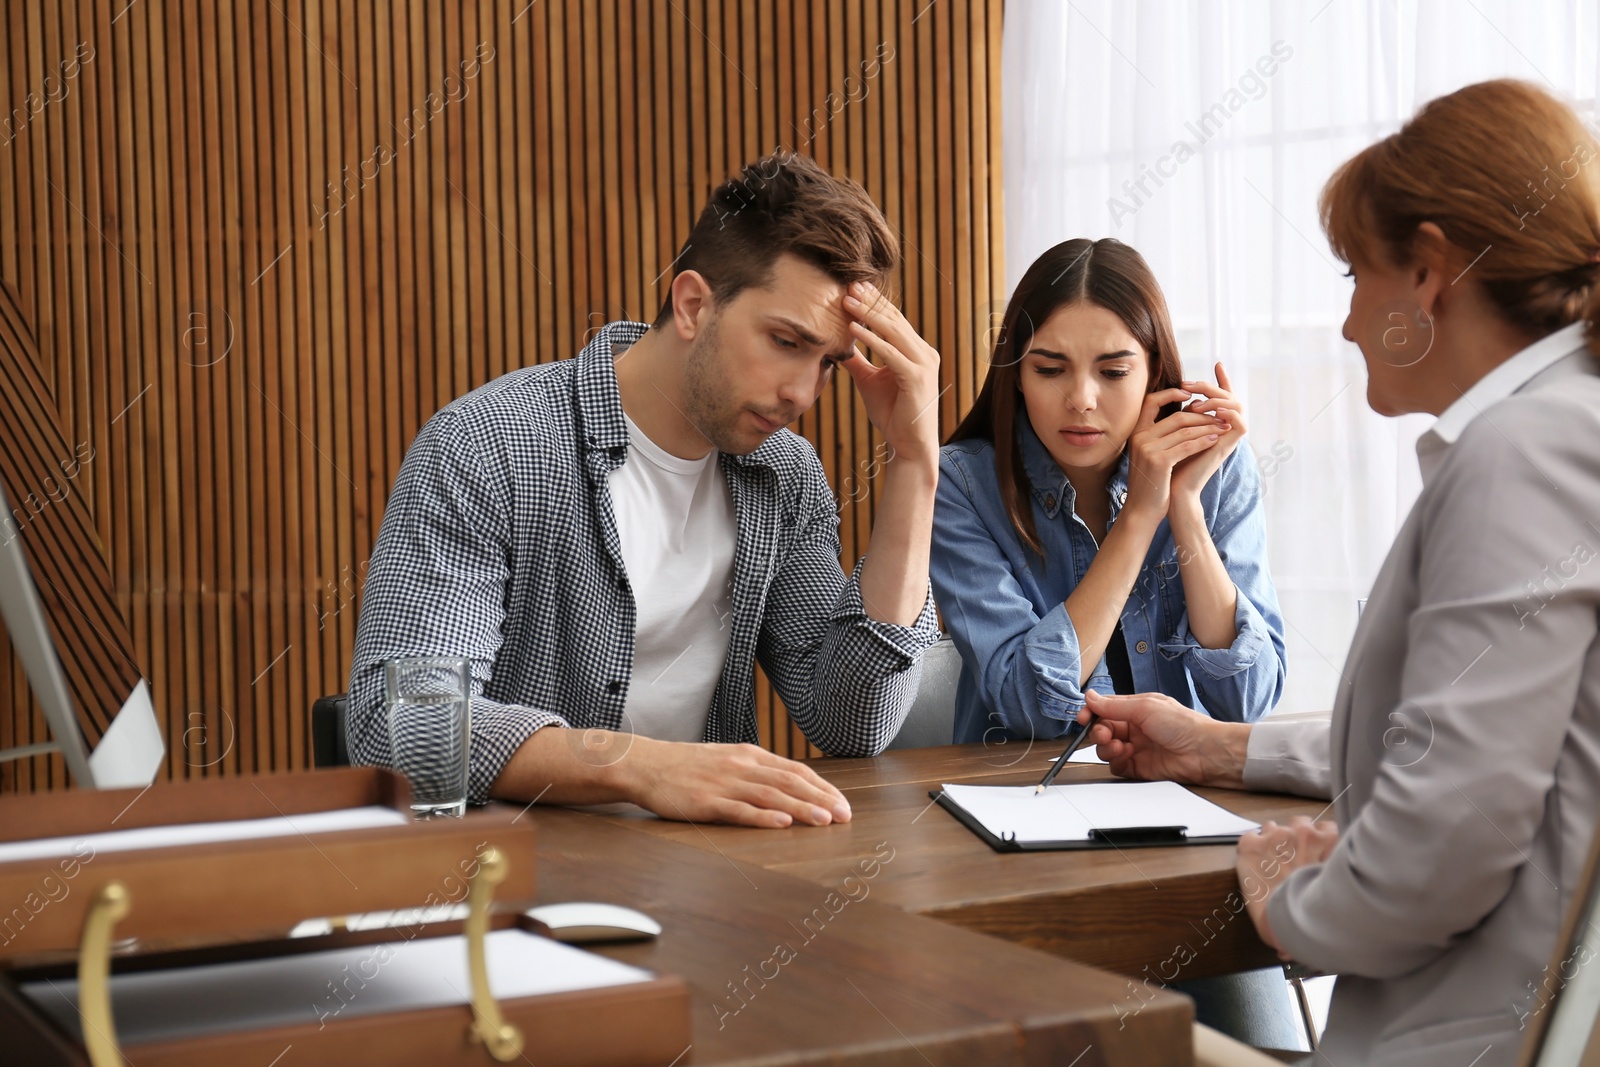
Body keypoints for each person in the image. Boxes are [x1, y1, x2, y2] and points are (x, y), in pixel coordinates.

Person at [1079, 79, 1600, 1066]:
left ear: (1430, 273)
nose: (1351, 322)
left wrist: (1291, 903)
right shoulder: (1566, 426)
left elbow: (1438, 854)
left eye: (1356, 273)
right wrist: (1221, 749)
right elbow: (1489, 740)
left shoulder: (1523, 454)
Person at [349, 151, 944, 828]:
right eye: (786, 341)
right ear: (692, 304)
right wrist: (641, 766)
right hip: (518, 880)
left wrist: (912, 464)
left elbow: (852, 720)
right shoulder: (487, 446)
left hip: (719, 881)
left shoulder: (786, 476)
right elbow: (402, 727)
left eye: (828, 364)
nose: (804, 393)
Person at [931, 238, 1285, 745]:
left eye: (1114, 372)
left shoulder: (1216, 466)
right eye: (1049, 370)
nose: (1080, 400)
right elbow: (1028, 705)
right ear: (1016, 377)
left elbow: (1247, 700)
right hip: (1022, 803)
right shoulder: (962, 484)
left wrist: (1182, 506)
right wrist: (1141, 515)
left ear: (1154, 373)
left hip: (1182, 794)